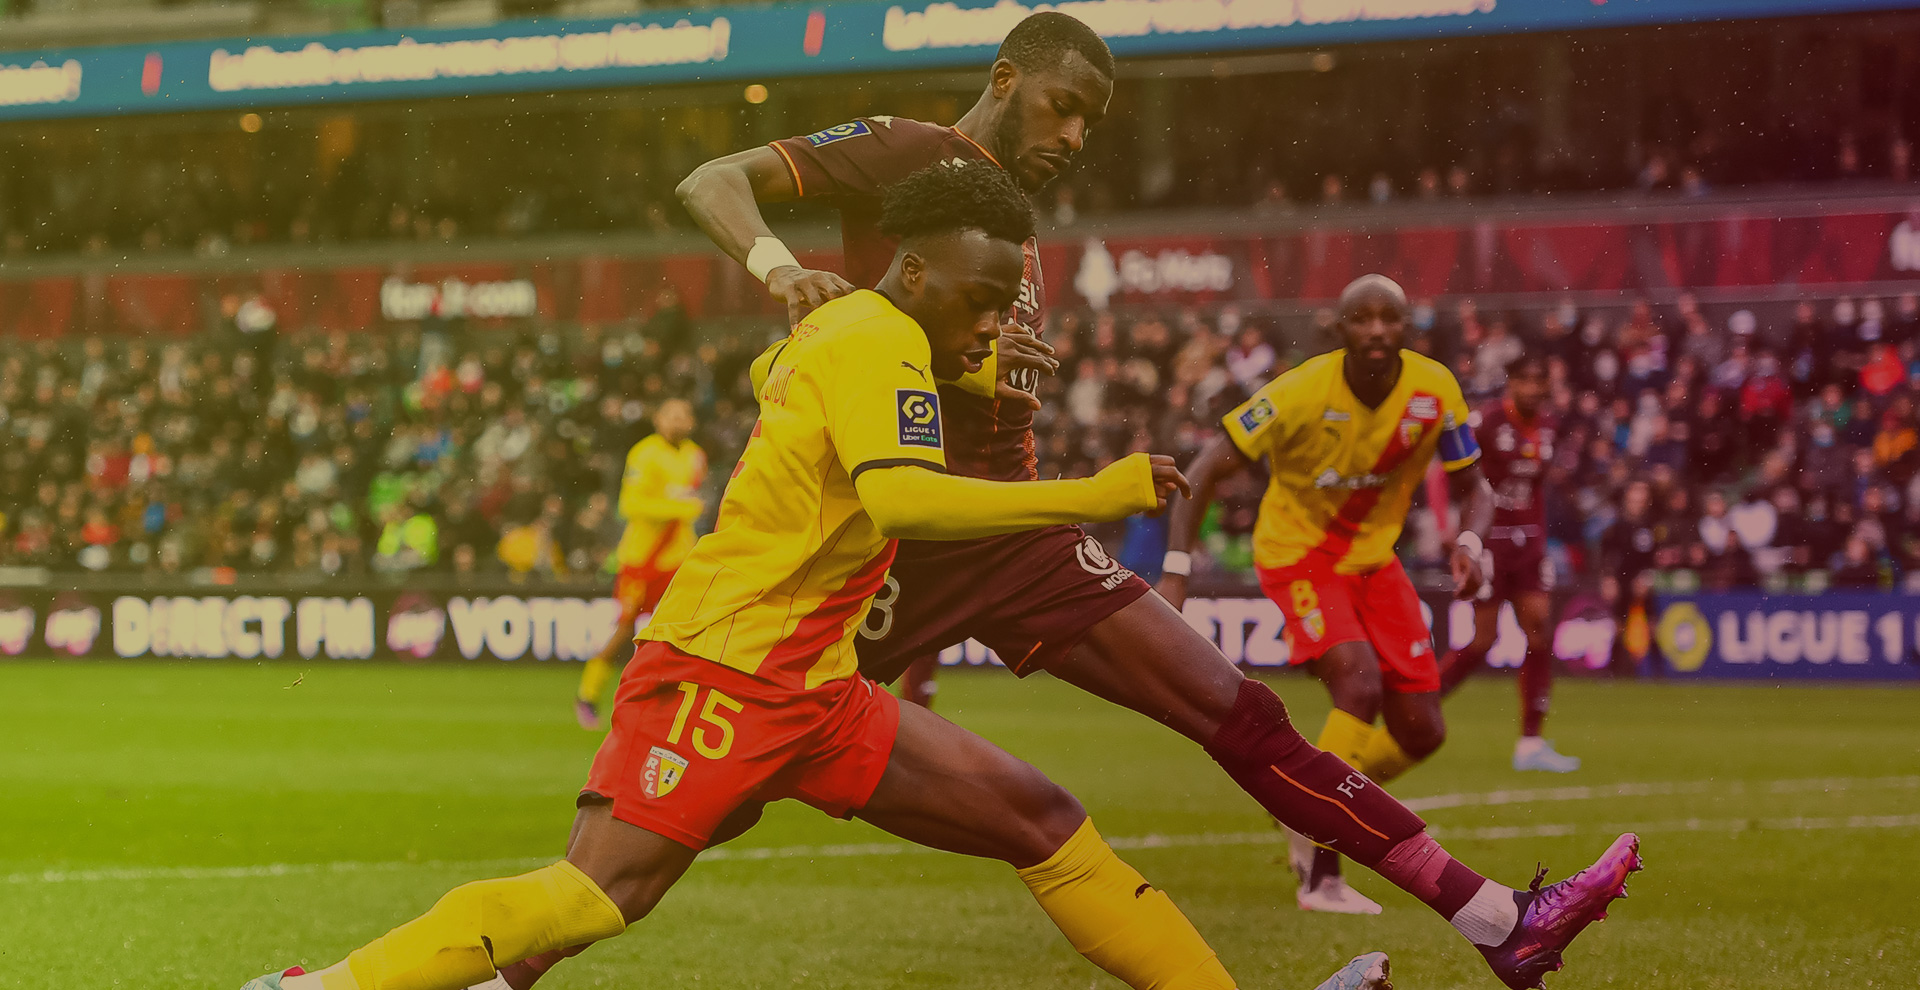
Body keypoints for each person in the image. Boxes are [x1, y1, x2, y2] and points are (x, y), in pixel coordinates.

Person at [661, 11, 1637, 985]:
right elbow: (713, 180)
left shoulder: (1009, 215)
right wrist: (786, 272)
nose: (1074, 136)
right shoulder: (906, 151)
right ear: (1005, 80)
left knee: (1242, 714)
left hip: (1019, 531)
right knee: (724, 784)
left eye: (1090, 122)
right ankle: (566, 904)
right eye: (1062, 106)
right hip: (903, 539)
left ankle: (1499, 918)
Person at [243, 163, 1389, 990]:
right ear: (914, 268)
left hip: (817, 684)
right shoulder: (877, 340)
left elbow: (776, 375)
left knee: (1041, 820)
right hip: (723, 668)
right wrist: (1092, 494)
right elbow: (905, 503)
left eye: (1005, 303)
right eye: (979, 298)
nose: (994, 319)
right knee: (598, 895)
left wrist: (961, 366)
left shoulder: (867, 332)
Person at [1160, 275, 1509, 916]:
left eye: (1389, 318)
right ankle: (1321, 874)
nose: (1376, 330)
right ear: (1339, 328)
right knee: (1359, 685)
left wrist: (1470, 541)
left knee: (1423, 730)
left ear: (1407, 326)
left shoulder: (1434, 391)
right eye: (1362, 319)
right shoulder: (1298, 392)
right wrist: (1177, 569)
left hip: (1374, 561)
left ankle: (1302, 799)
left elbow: (1476, 487)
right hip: (1298, 554)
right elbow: (1205, 468)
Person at [1435, 354, 1581, 773]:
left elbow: (1535, 488)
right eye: (1525, 380)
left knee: (1539, 630)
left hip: (1529, 544)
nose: (1534, 388)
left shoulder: (1549, 426)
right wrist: (1450, 527)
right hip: (1491, 542)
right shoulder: (1485, 423)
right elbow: (1446, 475)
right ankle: (1419, 706)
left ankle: (1531, 741)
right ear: (1511, 383)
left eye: (1540, 380)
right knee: (1484, 640)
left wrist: (1539, 535)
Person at [575, 398, 709, 730]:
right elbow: (631, 504)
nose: (678, 421)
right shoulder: (644, 454)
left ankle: (673, 703)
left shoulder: (696, 455)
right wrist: (681, 509)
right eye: (671, 415)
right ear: (658, 419)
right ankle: (588, 694)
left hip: (679, 558)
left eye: (684, 415)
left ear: (692, 421)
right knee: (625, 628)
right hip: (642, 558)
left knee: (688, 630)